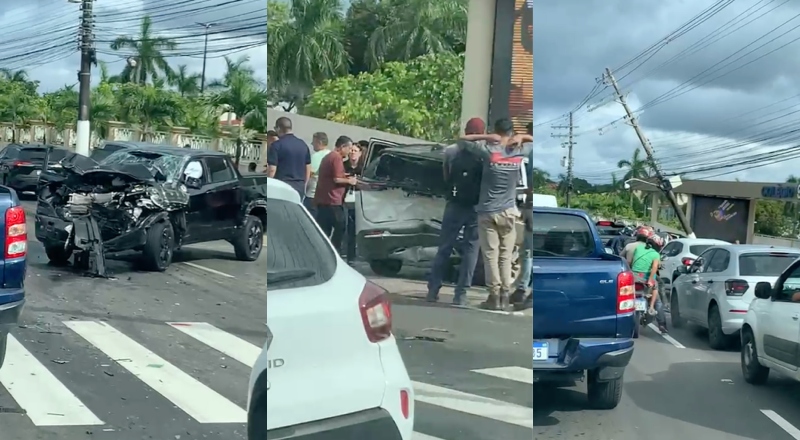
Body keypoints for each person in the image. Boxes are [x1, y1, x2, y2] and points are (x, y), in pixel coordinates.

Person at [458, 119, 534, 310]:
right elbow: (535, 140)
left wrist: (486, 136)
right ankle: (505, 296)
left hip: (487, 212)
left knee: (491, 255)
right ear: (511, 131)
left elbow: (462, 140)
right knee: (505, 256)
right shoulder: (519, 150)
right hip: (508, 212)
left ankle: (494, 297)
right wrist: (522, 136)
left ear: (496, 131)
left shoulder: (489, 150)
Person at [426, 118, 486, 306]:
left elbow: (446, 176)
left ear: (466, 130)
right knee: (471, 250)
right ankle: (461, 295)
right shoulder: (484, 153)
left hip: (454, 204)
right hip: (476, 207)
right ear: (482, 131)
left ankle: (433, 290)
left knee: (444, 247)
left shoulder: (451, 151)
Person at [314, 136, 357, 254]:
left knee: (324, 230)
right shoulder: (336, 158)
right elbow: (337, 179)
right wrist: (350, 181)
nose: (349, 152)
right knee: (341, 226)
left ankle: (321, 253)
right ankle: (333, 252)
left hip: (323, 200)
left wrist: (345, 176)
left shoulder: (327, 157)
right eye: (349, 148)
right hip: (333, 201)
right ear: (342, 147)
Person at [630, 232, 668, 333]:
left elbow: (631, 261)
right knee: (657, 298)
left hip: (634, 277)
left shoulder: (638, 249)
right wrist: (651, 279)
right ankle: (660, 321)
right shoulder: (655, 254)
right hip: (645, 279)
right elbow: (654, 267)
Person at [267, 117, 311, 199]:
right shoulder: (303, 145)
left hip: (281, 186)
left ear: (278, 128)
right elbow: (307, 167)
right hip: (299, 187)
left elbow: (272, 169)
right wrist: (304, 185)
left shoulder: (276, 145)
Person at [343, 143, 364, 264]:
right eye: (351, 150)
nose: (352, 153)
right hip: (345, 199)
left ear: (360, 153)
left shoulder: (363, 168)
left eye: (355, 151)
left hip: (359, 200)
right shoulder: (344, 165)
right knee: (346, 227)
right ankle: (347, 254)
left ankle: (355, 255)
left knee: (355, 228)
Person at [305, 132, 331, 217]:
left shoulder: (316, 156)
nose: (312, 144)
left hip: (312, 194)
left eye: (314, 142)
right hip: (326, 197)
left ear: (319, 143)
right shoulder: (331, 155)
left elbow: (309, 173)